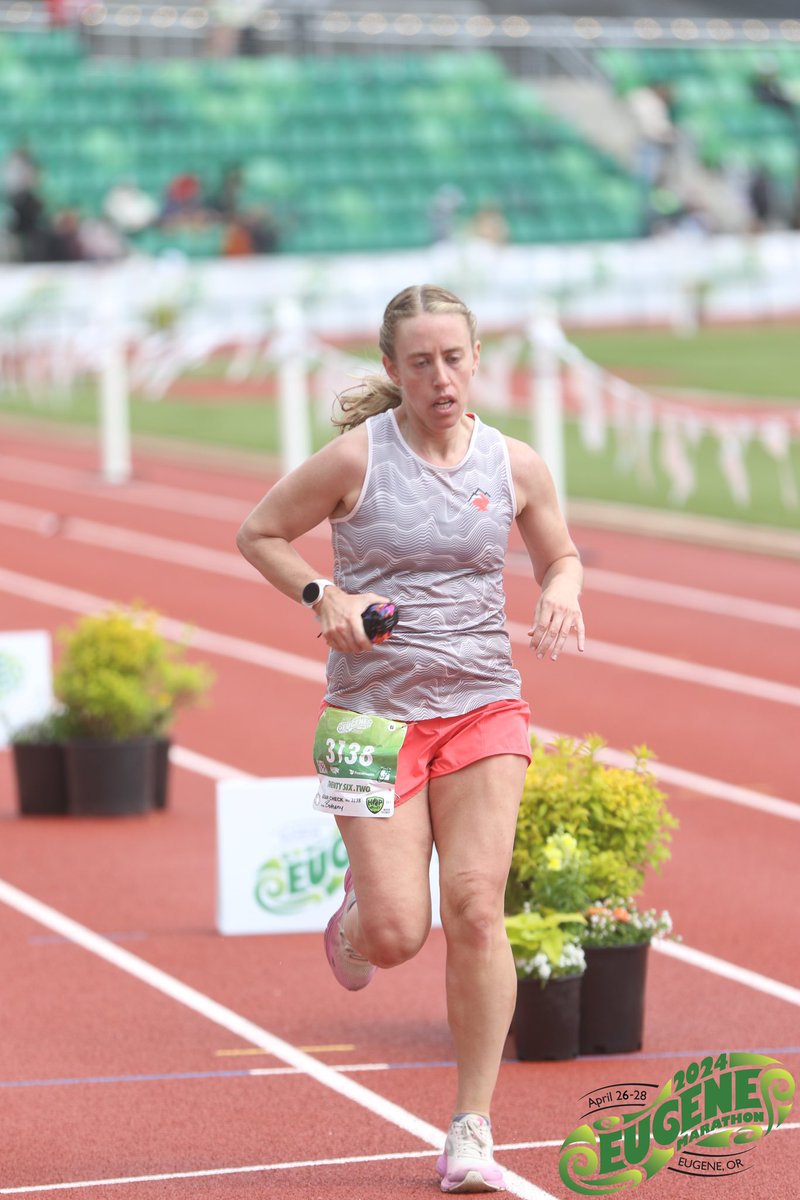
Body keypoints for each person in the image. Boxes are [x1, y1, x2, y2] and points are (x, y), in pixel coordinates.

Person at [236, 284, 585, 1194]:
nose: (441, 377)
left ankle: (471, 1126)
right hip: (368, 717)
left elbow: (560, 551)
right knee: (398, 935)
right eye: (421, 361)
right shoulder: (357, 459)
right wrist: (325, 598)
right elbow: (260, 531)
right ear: (393, 370)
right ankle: (356, 921)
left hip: (482, 708)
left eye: (455, 358)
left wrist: (560, 589)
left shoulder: (514, 465)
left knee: (476, 905)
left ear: (477, 361)